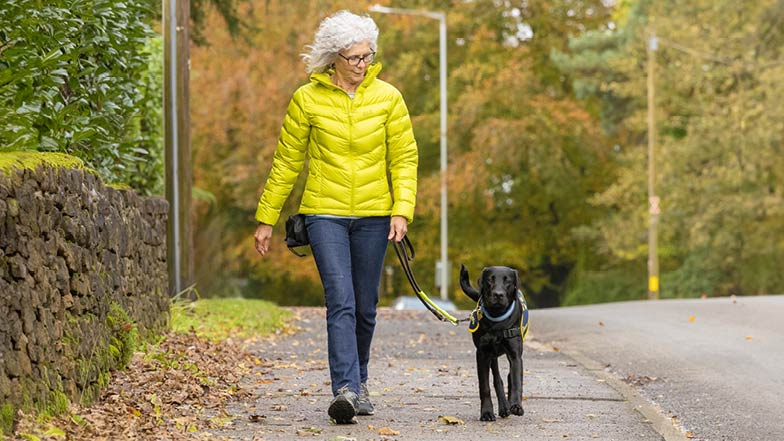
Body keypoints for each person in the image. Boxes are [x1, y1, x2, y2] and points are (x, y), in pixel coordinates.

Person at [252, 10, 418, 424]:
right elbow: (286, 162)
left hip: (375, 215)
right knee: (339, 300)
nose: (362, 65)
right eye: (353, 58)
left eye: (367, 56)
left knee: (365, 305)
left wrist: (402, 209)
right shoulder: (306, 99)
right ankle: (344, 388)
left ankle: (360, 381)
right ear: (333, 59)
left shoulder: (389, 98)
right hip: (323, 212)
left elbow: (404, 158)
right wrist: (266, 218)